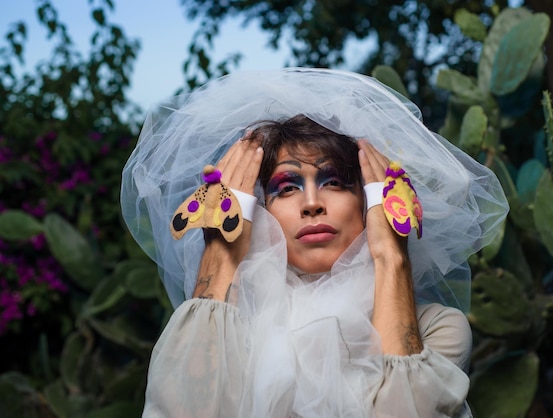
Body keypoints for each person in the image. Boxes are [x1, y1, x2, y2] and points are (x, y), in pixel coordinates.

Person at [121, 68, 509, 417]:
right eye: (286, 187)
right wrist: (220, 255)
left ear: (369, 200)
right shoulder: (228, 329)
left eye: (335, 182)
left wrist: (393, 257)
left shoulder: (437, 330)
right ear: (263, 210)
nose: (311, 204)